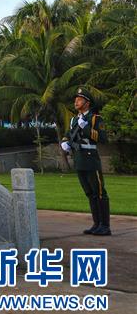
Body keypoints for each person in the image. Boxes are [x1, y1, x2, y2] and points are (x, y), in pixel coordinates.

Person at [61, 88, 110, 236]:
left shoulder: (95, 118)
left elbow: (103, 138)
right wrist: (65, 142)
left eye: (80, 99)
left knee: (99, 192)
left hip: (91, 159)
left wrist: (86, 127)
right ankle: (96, 224)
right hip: (79, 159)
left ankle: (105, 226)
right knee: (89, 193)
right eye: (76, 99)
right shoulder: (73, 120)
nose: (76, 102)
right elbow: (68, 135)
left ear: (87, 103)